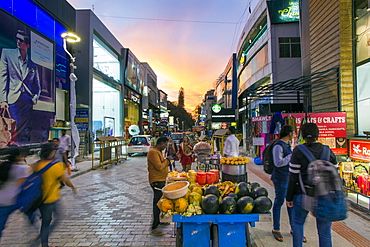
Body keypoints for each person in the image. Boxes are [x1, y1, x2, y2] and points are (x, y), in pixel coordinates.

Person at [286, 123, 337, 247]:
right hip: (324, 196)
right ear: (317, 135)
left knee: (298, 223)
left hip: (303, 195)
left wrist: (289, 197)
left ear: (302, 136)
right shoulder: (327, 150)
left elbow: (293, 177)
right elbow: (335, 176)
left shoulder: (298, 151)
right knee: (325, 232)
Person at [30, 143, 76, 247]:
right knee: (56, 218)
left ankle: (44, 241)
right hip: (51, 199)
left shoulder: (37, 165)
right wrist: (73, 187)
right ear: (51, 152)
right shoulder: (56, 165)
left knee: (45, 223)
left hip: (39, 199)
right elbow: (65, 180)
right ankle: (42, 238)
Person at [0, 30, 41, 144]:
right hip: (13, 98)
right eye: (17, 39)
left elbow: (37, 86)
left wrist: (34, 98)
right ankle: (14, 151)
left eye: (21, 40)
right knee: (14, 127)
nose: (18, 42)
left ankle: (22, 151)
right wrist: (3, 99)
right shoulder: (7, 54)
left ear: (27, 45)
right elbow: (2, 77)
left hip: (27, 100)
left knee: (26, 129)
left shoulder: (32, 65)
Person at [0, 147, 40, 243]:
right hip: (16, 199)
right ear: (19, 156)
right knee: (31, 214)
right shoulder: (21, 169)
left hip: (2, 199)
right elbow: (22, 186)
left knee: (1, 224)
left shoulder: (4, 166)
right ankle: (40, 232)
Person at [270, 125, 300, 242]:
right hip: (280, 178)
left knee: (291, 202)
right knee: (279, 202)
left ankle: (294, 228)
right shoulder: (278, 145)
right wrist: (291, 156)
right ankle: (276, 228)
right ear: (290, 134)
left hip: (288, 178)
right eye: (293, 133)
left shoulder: (287, 145)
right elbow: (278, 163)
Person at [147, 136, 170, 236]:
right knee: (157, 203)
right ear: (160, 143)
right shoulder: (153, 152)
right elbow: (159, 166)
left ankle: (159, 220)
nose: (165, 147)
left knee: (160, 201)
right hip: (156, 180)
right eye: (165, 144)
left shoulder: (158, 151)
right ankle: (154, 225)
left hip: (160, 179)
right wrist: (167, 161)